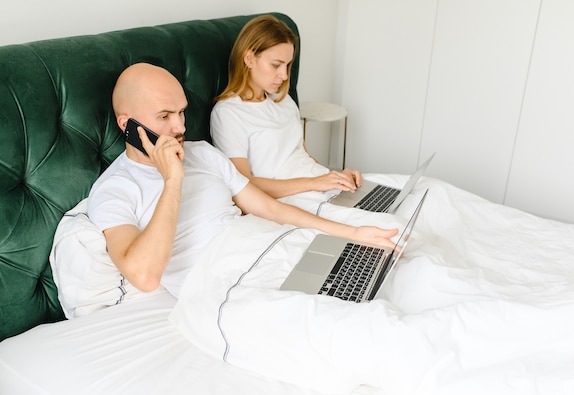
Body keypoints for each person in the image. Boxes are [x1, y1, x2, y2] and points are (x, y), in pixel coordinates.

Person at [87, 62, 398, 297]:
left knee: (383, 276)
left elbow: (269, 209)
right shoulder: (114, 189)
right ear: (127, 125)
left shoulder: (203, 153)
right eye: (165, 116)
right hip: (232, 286)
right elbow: (145, 276)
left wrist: (353, 232)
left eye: (182, 113)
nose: (180, 127)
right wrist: (172, 181)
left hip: (271, 249)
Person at [211, 15, 361, 200]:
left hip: (320, 187)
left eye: (288, 65)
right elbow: (243, 184)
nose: (283, 75)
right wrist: (316, 183)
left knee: (396, 196)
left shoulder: (284, 101)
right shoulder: (228, 113)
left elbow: (303, 156)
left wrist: (336, 177)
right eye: (276, 65)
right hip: (293, 198)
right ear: (249, 58)